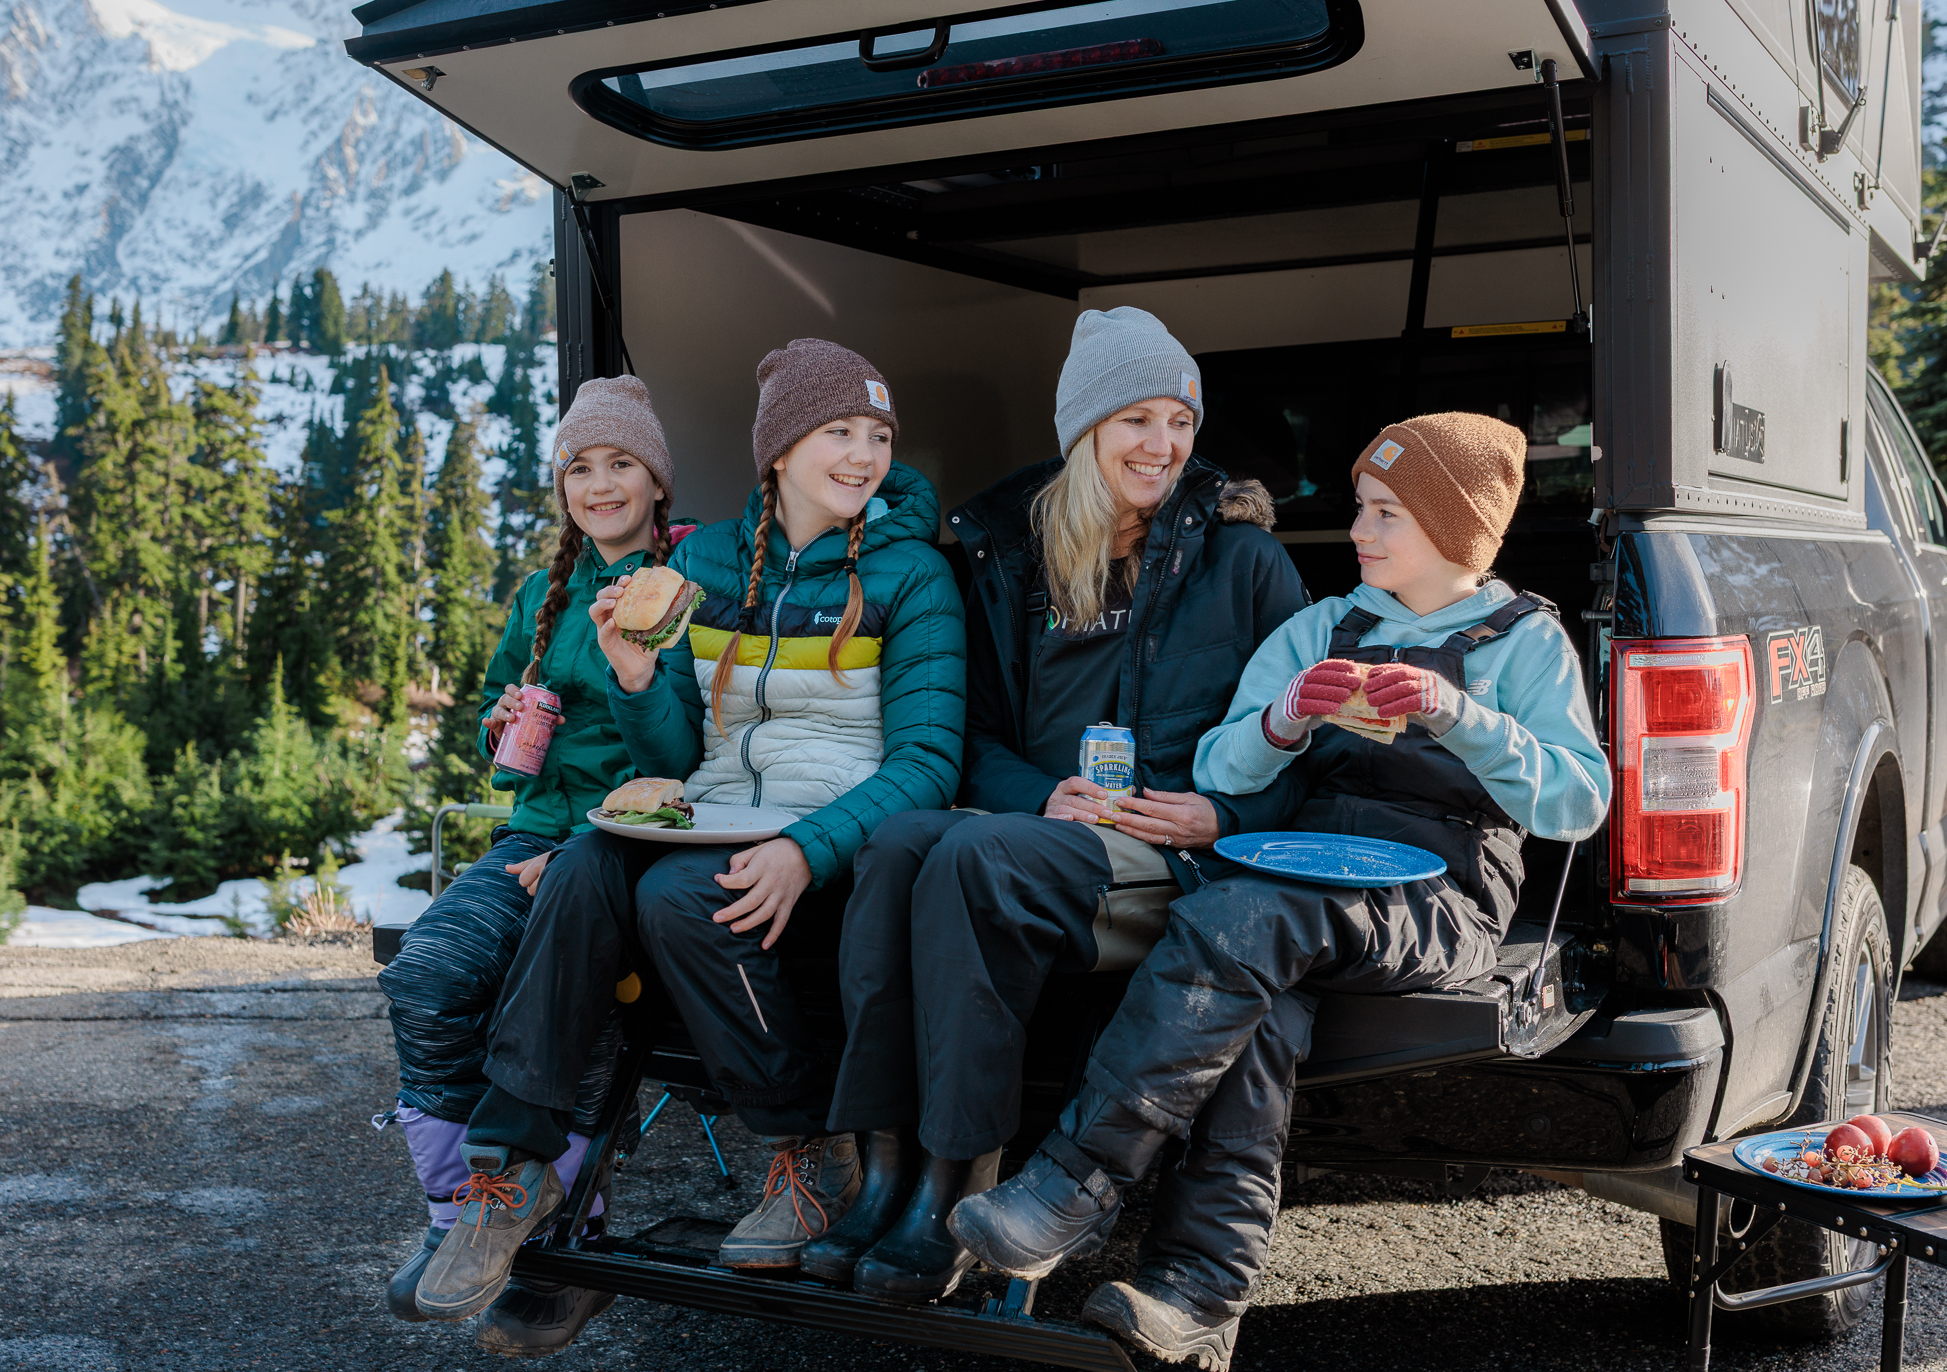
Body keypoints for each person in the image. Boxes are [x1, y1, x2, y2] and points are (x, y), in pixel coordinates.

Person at [946, 412, 1612, 1371]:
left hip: (1443, 897)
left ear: (1455, 531)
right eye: (1361, 509)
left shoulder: (1524, 642)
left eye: (1386, 514)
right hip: (1307, 876)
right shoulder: (1319, 628)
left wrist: (1461, 717)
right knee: (1256, 1012)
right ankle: (1195, 1297)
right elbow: (1223, 762)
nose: (1359, 531)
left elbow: (1577, 801)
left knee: (1240, 915)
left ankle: (1075, 1184)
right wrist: (1286, 718)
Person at [411, 339, 966, 1327]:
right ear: (779, 447)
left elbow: (927, 759)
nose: (861, 453)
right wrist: (631, 671)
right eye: (837, 431)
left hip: (832, 832)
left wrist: (807, 848)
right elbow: (670, 743)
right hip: (705, 813)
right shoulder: (703, 565)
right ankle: (511, 1169)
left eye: (877, 435)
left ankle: (802, 1150)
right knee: (581, 866)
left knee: (671, 896)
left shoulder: (912, 573)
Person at [799, 306, 1308, 1304]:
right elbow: (973, 741)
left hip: (1174, 854)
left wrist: (1220, 815)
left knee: (968, 860)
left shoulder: (1243, 562)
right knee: (901, 842)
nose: (1161, 445)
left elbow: (1309, 739)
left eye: (1177, 420)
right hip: (1047, 830)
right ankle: (889, 1170)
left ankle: (958, 1181)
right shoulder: (1011, 558)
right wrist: (1040, 794)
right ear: (1083, 430)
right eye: (1135, 420)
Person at [374, 375, 682, 1355]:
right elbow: (495, 728)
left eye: (620, 463)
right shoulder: (539, 593)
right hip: (531, 833)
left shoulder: (689, 585)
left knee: (564, 971)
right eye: (579, 467)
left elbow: (692, 746)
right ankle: (460, 1210)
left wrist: (601, 848)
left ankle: (567, 1224)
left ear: (656, 480)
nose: (599, 484)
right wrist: (497, 724)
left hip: (637, 840)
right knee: (426, 977)